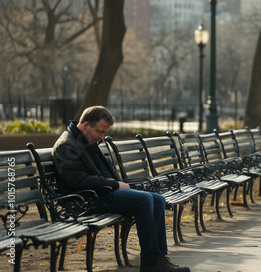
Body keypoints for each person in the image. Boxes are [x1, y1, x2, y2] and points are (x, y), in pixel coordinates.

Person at [52, 106, 190, 272]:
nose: (102, 138)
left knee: (158, 199)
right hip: (84, 202)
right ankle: (151, 263)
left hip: (100, 194)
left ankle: (158, 259)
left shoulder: (85, 140)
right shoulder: (67, 145)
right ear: (86, 125)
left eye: (104, 133)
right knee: (144, 200)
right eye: (99, 131)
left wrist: (119, 184)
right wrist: (115, 184)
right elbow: (77, 181)